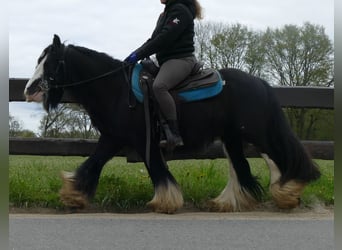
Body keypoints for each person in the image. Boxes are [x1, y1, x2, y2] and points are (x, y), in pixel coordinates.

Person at [125, 0, 203, 148]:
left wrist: (140, 54)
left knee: (159, 86)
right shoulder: (164, 14)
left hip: (181, 60)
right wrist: (134, 54)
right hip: (166, 61)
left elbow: (165, 38)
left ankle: (174, 133)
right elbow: (153, 39)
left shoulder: (180, 11)